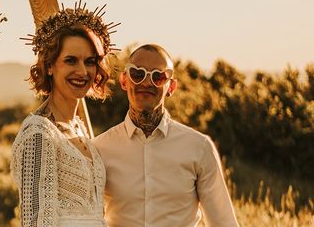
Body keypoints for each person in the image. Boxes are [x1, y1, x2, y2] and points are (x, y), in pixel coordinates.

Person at [93, 44, 239, 227]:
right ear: (124, 80)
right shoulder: (99, 149)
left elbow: (223, 223)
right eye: (137, 74)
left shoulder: (199, 147)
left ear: (171, 87)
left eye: (158, 76)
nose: (146, 83)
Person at [10, 3, 117, 227]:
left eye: (90, 62)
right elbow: (36, 222)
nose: (82, 71)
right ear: (50, 66)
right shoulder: (38, 133)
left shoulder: (79, 128)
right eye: (71, 60)